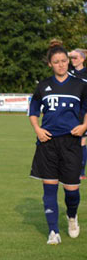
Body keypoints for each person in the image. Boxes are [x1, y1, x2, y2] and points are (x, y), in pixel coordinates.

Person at [29, 40, 86, 244]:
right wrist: (37, 129)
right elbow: (33, 110)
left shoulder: (80, 85)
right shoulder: (43, 86)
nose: (61, 65)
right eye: (56, 62)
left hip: (71, 143)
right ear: (50, 64)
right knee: (49, 187)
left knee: (72, 190)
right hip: (48, 143)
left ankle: (72, 216)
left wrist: (84, 126)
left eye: (63, 61)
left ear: (67, 62)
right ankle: (53, 231)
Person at [68, 48, 87, 180]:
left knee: (82, 141)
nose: (73, 60)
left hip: (83, 111)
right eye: (72, 58)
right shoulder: (68, 71)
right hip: (69, 111)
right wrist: (70, 53)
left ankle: (81, 172)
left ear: (82, 59)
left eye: (75, 58)